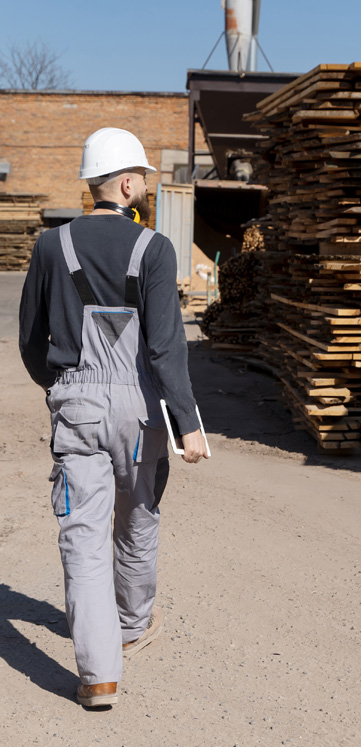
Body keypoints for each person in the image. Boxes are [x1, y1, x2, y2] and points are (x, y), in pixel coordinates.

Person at [18, 127, 209, 708]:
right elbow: (165, 347)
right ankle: (131, 625)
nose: (145, 189)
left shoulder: (51, 247)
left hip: (76, 402)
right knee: (137, 519)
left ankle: (99, 676)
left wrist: (64, 387)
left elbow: (29, 339)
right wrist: (188, 422)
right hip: (138, 409)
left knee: (81, 534)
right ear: (127, 183)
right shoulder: (154, 249)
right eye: (143, 180)